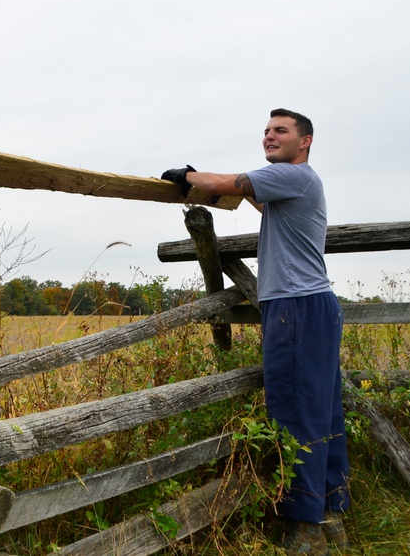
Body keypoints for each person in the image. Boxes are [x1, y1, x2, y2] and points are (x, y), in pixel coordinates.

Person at [162, 109, 349, 554]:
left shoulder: (293, 175)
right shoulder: (294, 184)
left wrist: (189, 175)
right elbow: (255, 198)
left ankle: (306, 529)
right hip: (314, 306)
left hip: (296, 308)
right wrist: (214, 181)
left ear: (304, 141)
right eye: (266, 131)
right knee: (323, 411)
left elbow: (233, 184)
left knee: (295, 411)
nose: (269, 136)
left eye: (280, 131)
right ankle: (332, 513)